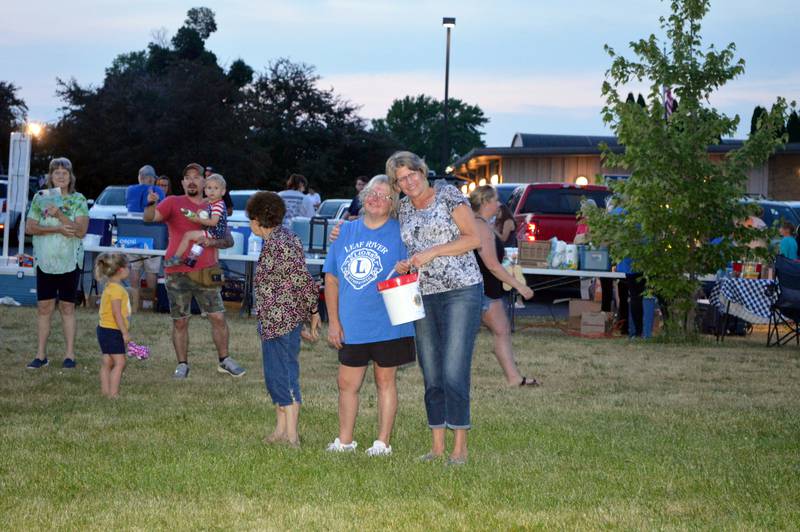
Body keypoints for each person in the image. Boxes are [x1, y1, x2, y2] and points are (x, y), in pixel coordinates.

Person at [389, 151, 483, 466]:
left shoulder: (449, 195)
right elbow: (409, 246)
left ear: (422, 171)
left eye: (411, 173)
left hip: (461, 291)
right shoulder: (402, 208)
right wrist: (407, 262)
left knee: (454, 370)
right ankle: (437, 447)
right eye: (401, 178)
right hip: (422, 293)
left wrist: (433, 252)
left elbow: (473, 239)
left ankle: (460, 448)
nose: (408, 181)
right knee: (431, 372)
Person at [323, 175, 416, 456]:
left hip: (389, 322)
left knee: (385, 381)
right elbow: (332, 279)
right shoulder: (345, 232)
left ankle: (382, 443)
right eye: (372, 193)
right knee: (347, 384)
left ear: (393, 204)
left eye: (385, 196)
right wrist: (334, 322)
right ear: (363, 197)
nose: (376, 199)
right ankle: (345, 441)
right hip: (353, 323)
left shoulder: (402, 233)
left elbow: (419, 267)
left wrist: (409, 267)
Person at [143, 163, 245, 379]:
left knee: (218, 317)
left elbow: (228, 240)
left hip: (207, 271)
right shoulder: (172, 202)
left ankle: (224, 360)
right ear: (182, 183)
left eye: (196, 177)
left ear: (204, 183)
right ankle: (182, 364)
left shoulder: (214, 206)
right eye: (187, 177)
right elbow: (149, 219)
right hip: (176, 271)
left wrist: (210, 242)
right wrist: (150, 203)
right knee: (180, 320)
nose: (191, 181)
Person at [247, 191, 321, 447]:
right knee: (274, 375)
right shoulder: (278, 239)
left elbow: (302, 279)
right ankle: (280, 429)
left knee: (285, 375)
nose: (250, 224)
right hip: (273, 320)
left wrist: (313, 313)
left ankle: (292, 435)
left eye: (250, 219)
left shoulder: (281, 243)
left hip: (283, 321)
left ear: (258, 219)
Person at [469, 186, 539, 387]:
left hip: (485, 290)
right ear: (485, 202)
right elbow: (492, 265)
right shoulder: (480, 227)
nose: (499, 204)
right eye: (496, 200)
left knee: (502, 329)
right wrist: (520, 286)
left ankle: (514, 378)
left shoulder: (482, 224)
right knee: (474, 337)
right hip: (481, 290)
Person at [25, 157, 89, 369]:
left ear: (71, 176)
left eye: (65, 172)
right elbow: (30, 228)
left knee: (67, 306)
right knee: (44, 307)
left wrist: (59, 214)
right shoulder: (39, 198)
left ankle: (69, 355)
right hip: (45, 261)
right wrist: (58, 229)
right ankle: (41, 355)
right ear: (50, 177)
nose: (61, 176)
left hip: (70, 261)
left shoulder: (79, 199)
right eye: (56, 172)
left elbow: (79, 231)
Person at [165, 173, 228, 267]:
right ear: (205, 190)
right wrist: (203, 204)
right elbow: (208, 201)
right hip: (217, 232)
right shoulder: (215, 202)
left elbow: (214, 222)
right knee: (202, 242)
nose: (212, 191)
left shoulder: (217, 206)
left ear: (223, 192)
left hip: (215, 232)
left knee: (188, 235)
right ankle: (194, 260)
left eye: (216, 188)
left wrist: (197, 219)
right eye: (209, 188)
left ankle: (176, 258)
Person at [94, 253, 132, 398]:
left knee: (107, 361)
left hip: (103, 329)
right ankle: (113, 394)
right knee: (120, 363)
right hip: (113, 331)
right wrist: (124, 333)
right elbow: (117, 314)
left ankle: (105, 391)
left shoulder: (109, 286)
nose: (129, 270)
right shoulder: (117, 290)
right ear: (121, 270)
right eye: (128, 267)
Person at [125, 165, 165, 298]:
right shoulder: (157, 190)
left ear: (140, 177)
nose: (154, 180)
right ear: (149, 178)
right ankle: (149, 300)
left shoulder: (130, 190)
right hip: (153, 234)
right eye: (153, 178)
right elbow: (161, 211)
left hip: (132, 234)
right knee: (151, 269)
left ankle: (134, 299)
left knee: (134, 267)